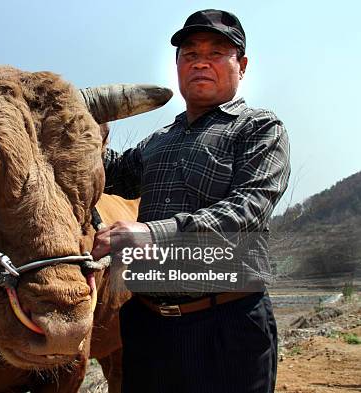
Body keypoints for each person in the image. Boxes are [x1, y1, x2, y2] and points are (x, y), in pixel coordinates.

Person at [91, 9, 291, 393]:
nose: (200, 60)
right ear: (178, 65)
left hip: (226, 322)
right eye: (189, 53)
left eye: (217, 52)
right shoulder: (159, 141)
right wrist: (87, 134)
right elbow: (111, 175)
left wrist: (152, 233)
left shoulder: (259, 127)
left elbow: (247, 210)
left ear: (241, 65)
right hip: (147, 326)